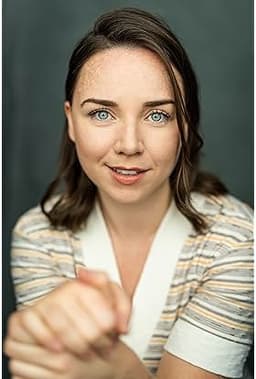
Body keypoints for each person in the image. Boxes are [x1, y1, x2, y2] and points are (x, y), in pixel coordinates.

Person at [4, 7, 253, 379]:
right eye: (102, 113)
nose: (130, 145)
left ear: (184, 125)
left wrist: (117, 370)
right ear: (71, 120)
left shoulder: (236, 240)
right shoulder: (38, 237)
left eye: (157, 115)